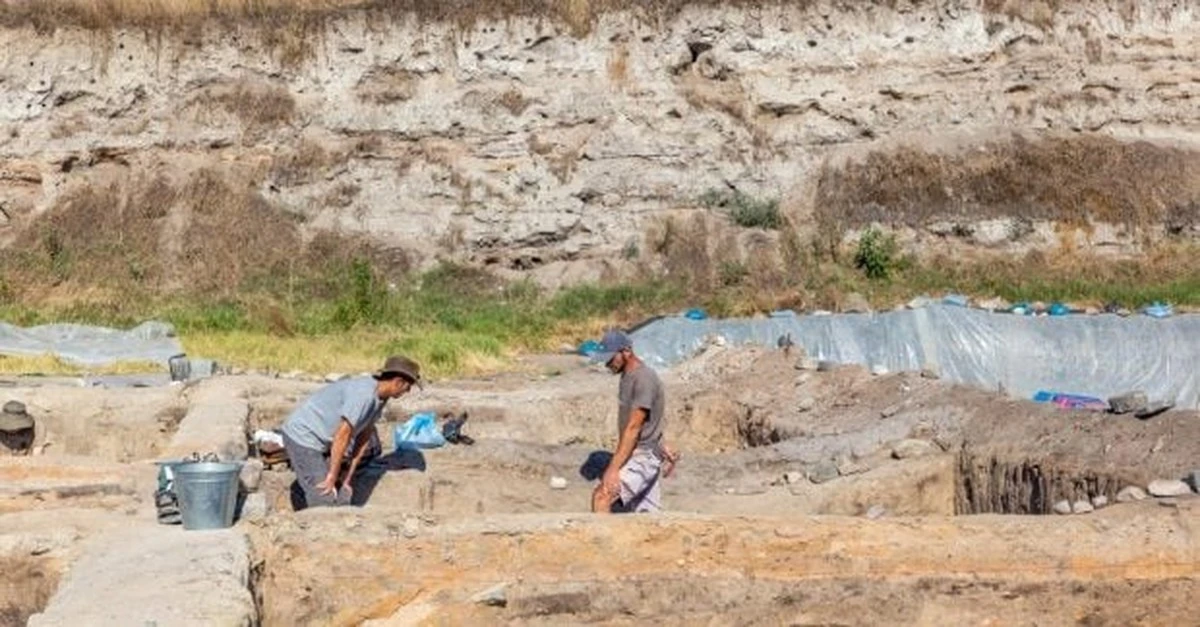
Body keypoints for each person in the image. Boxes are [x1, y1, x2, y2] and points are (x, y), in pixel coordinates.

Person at [281, 355, 422, 510]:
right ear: (398, 382)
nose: (407, 392)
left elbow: (364, 437)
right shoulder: (364, 395)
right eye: (408, 387)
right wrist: (332, 476)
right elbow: (342, 435)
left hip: (323, 439)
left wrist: (347, 478)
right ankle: (304, 501)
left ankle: (305, 488)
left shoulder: (381, 398)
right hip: (302, 436)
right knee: (325, 499)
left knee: (342, 498)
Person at [589, 329, 679, 514]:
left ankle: (599, 543)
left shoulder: (643, 379)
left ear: (626, 352)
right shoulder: (627, 376)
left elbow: (634, 427)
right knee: (647, 521)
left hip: (643, 456)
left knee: (602, 496)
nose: (607, 364)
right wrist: (661, 443)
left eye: (610, 358)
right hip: (641, 452)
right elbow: (650, 419)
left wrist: (613, 469)